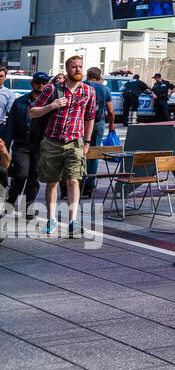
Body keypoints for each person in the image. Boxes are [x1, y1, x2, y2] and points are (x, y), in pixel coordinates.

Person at [29, 56, 96, 237]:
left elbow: (90, 117)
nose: (78, 69)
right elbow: (32, 112)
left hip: (75, 142)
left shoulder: (89, 91)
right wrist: (52, 105)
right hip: (52, 141)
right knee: (52, 182)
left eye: (81, 66)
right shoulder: (53, 88)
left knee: (73, 180)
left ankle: (73, 222)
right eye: (74, 67)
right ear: (67, 69)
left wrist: (87, 142)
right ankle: (51, 220)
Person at [3, 72, 49, 220]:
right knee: (20, 175)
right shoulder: (20, 102)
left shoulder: (48, 104)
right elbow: (10, 126)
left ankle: (28, 208)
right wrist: (6, 148)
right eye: (38, 82)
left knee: (34, 177)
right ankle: (10, 202)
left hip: (39, 146)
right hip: (21, 145)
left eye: (44, 82)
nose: (40, 85)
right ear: (32, 83)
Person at [83, 67, 113, 197]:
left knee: (80, 150)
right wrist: (112, 124)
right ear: (99, 76)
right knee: (94, 152)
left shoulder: (82, 86)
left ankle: (80, 180)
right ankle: (91, 180)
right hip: (98, 122)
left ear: (87, 75)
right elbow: (111, 110)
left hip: (82, 123)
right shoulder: (104, 89)